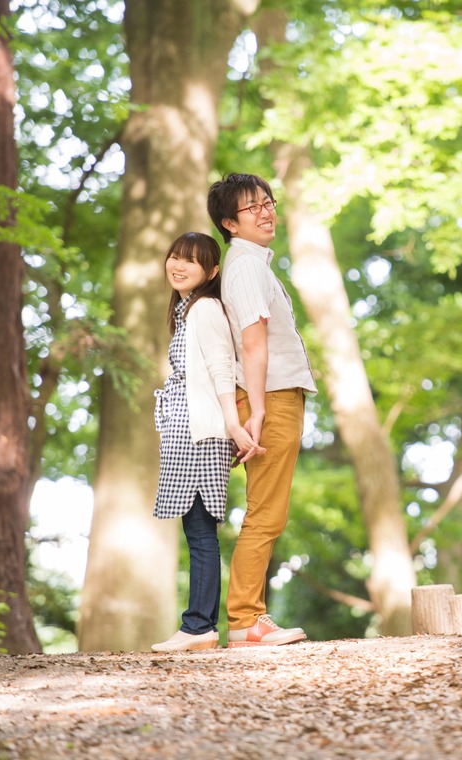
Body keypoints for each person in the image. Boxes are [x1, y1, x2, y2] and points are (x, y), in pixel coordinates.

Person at [208, 173, 317, 647]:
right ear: (229, 223)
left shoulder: (253, 264)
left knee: (268, 511)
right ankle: (247, 620)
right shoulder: (246, 266)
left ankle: (247, 618)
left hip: (269, 394)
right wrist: (254, 412)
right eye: (252, 208)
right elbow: (253, 346)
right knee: (265, 513)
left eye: (268, 202)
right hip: (268, 396)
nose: (267, 211)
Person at [150, 232, 260, 653]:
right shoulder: (185, 311)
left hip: (202, 430)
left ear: (211, 272)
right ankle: (198, 625)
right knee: (195, 527)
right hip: (185, 429)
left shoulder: (206, 308)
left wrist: (233, 426)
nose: (178, 265)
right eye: (174, 256)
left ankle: (199, 627)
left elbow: (220, 368)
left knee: (199, 530)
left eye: (190, 262)